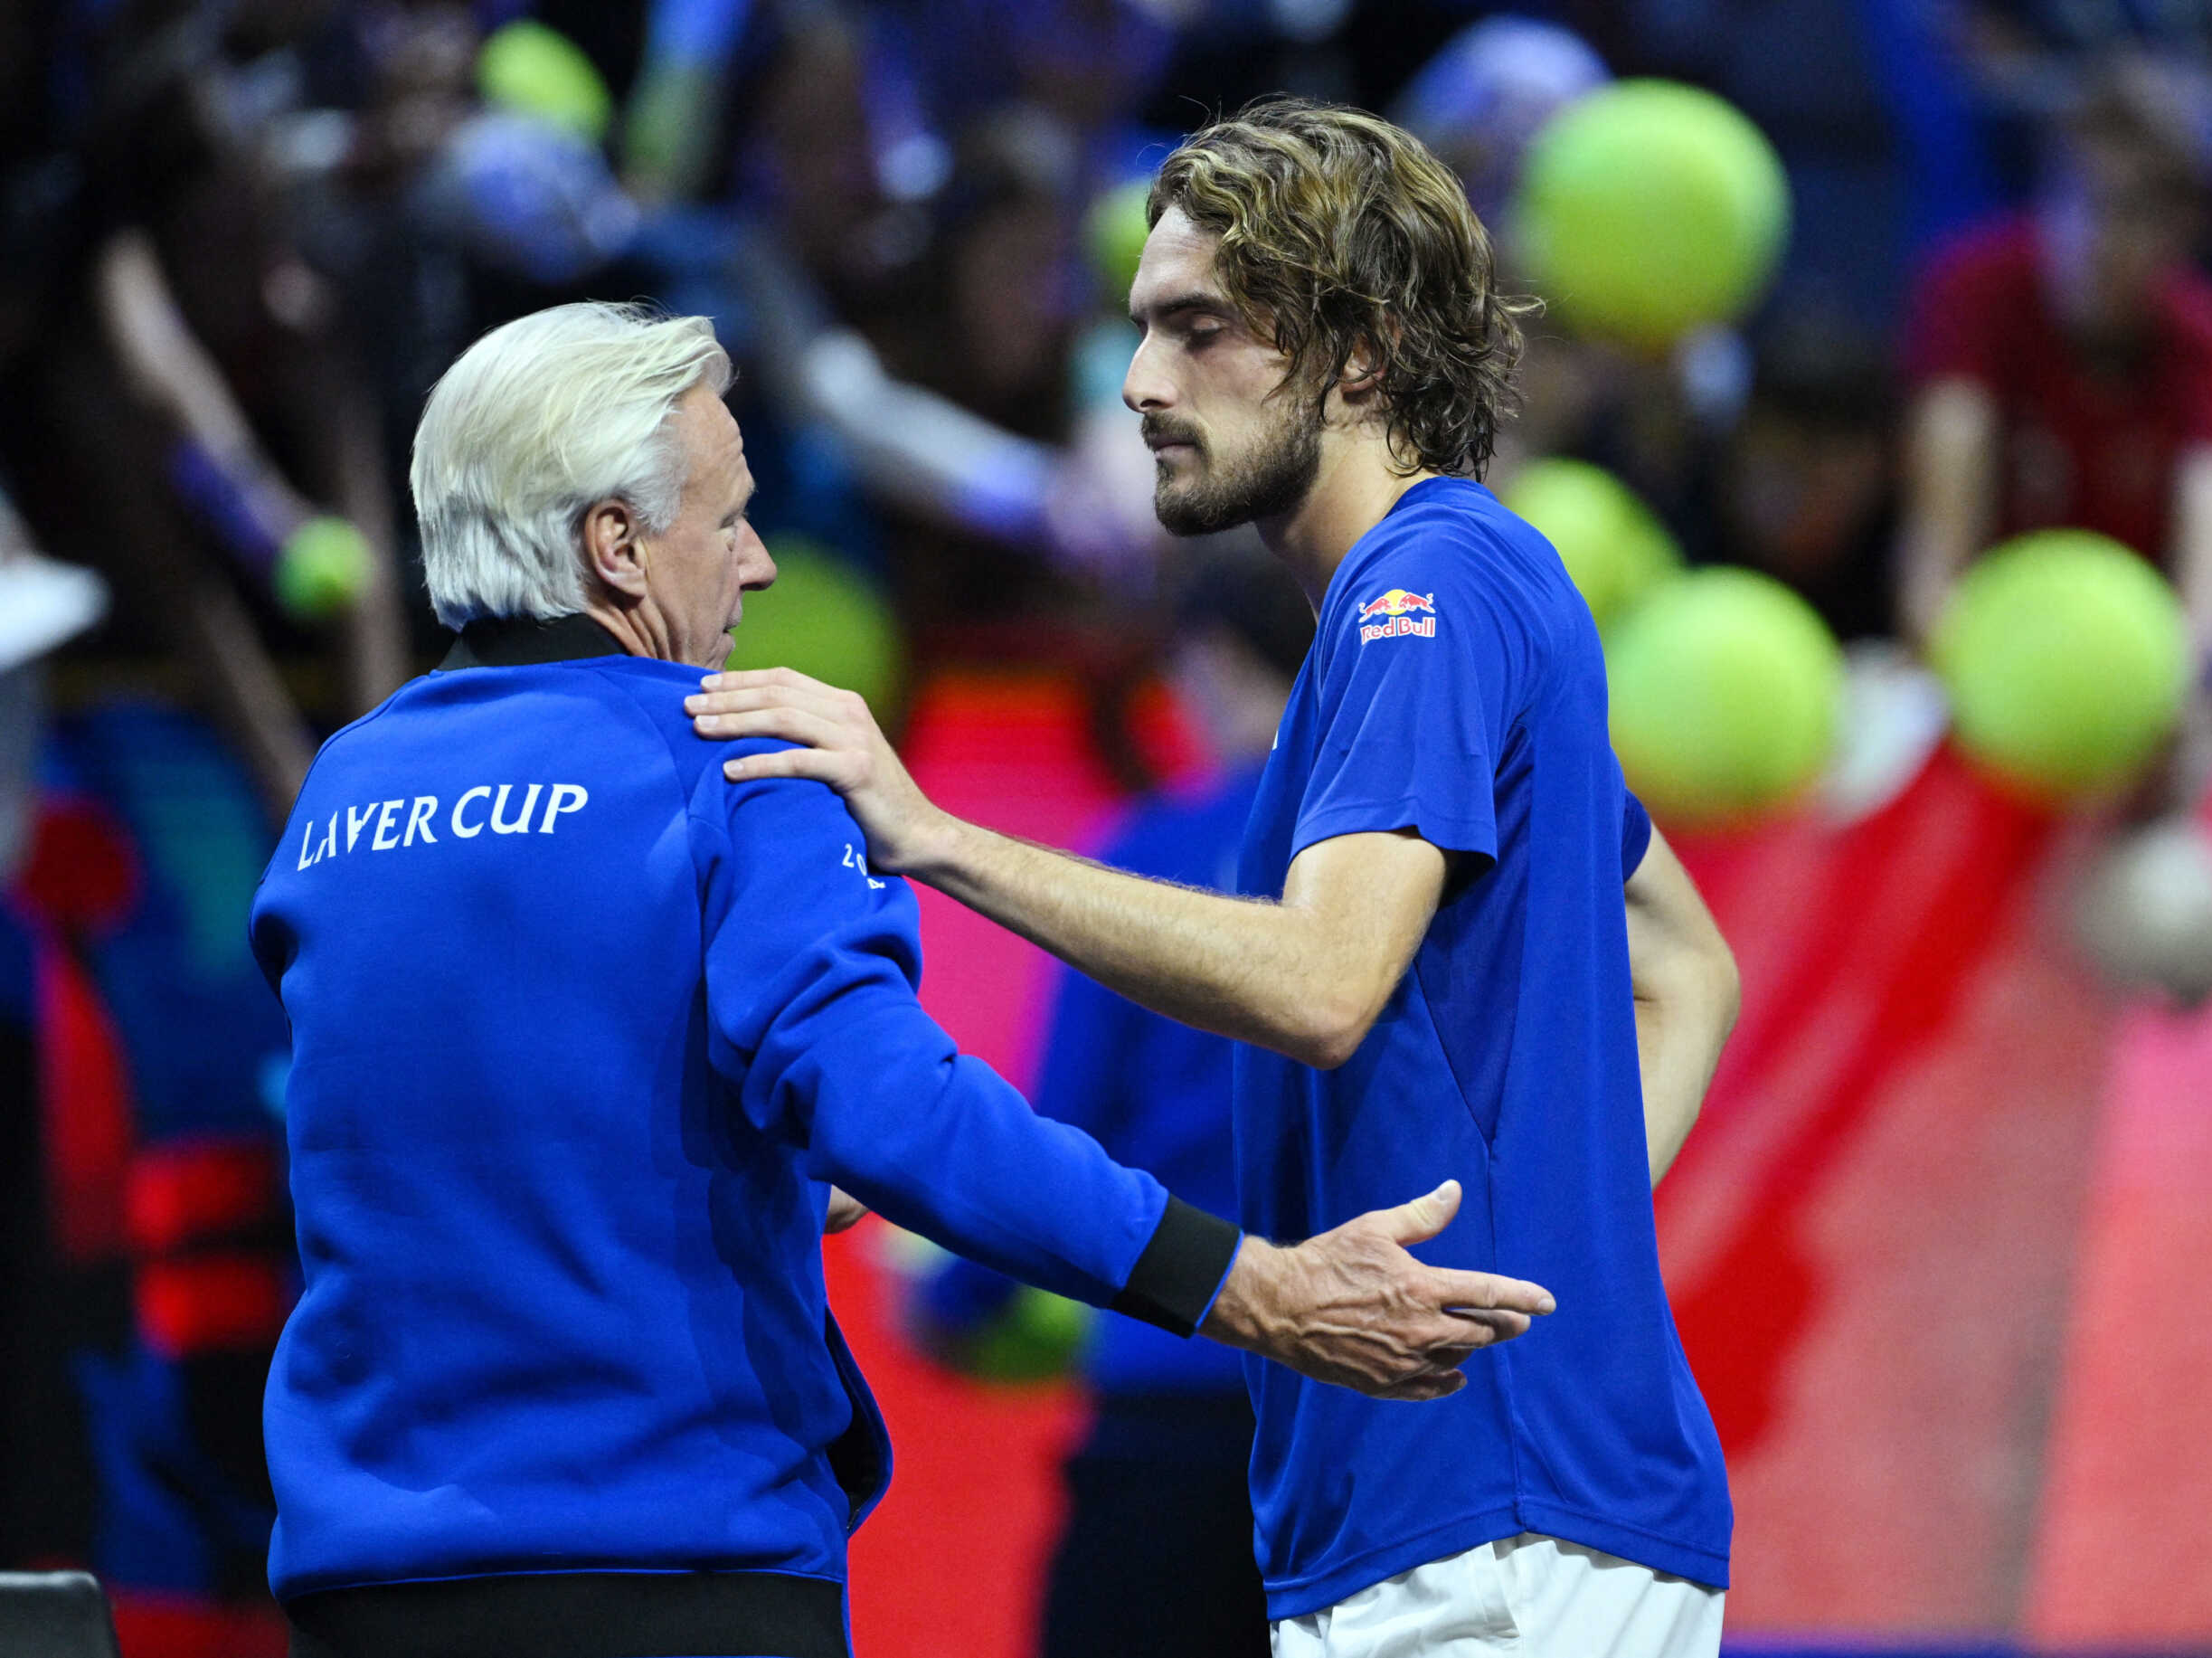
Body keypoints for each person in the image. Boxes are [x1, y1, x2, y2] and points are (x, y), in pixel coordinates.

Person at [245, 299, 1552, 1658]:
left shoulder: (345, 792)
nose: (757, 564)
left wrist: (751, 1173)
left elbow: (435, 1133)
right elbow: (898, 1111)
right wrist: (1254, 1289)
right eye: (731, 514)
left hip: (367, 1592)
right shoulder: (743, 761)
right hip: (671, 1572)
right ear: (616, 546)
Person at [689, 99, 1743, 1655]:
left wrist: (931, 833)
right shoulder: (1452, 597)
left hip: (1487, 1523)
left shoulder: (1428, 586)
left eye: (1199, 331)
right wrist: (1544, 1250)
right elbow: (1690, 967)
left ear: (1362, 350)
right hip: (1466, 1505)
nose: (1136, 383)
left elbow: (1324, 985)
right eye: (1137, 331)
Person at [912, 548, 1312, 1658]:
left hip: (1171, 1412)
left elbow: (1059, 1143)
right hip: (1379, 1434)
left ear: (1213, 662)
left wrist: (959, 1305)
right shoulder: (1420, 858)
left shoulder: (1152, 859)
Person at [1896, 53, 2212, 776]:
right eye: (2079, 195)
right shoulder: (1969, 289)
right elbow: (1936, 551)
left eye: (2139, 211)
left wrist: (2181, 691)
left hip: (2128, 697)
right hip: (1980, 674)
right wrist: (1965, 674)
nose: (2098, 235)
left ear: (2191, 231)